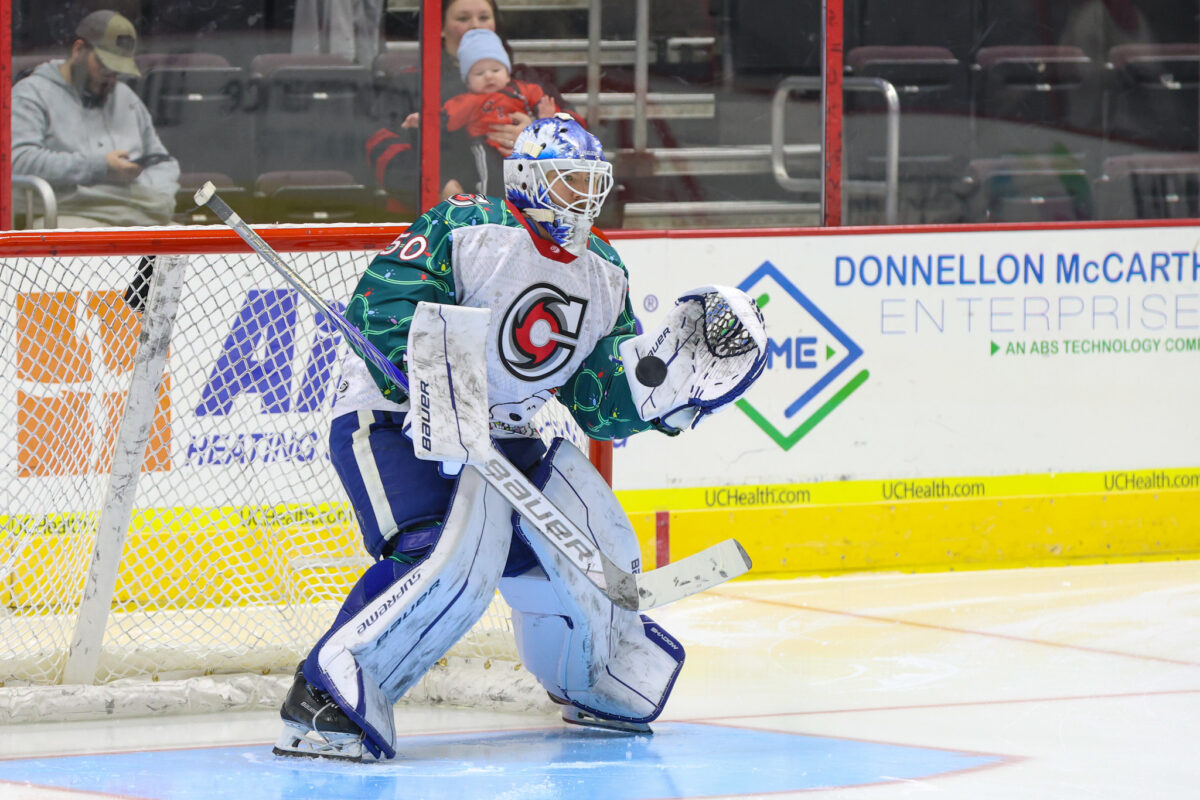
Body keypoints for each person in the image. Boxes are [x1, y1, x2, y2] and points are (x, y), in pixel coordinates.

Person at [273, 115, 766, 762]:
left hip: (506, 434)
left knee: (600, 543)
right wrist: (441, 387)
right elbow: (383, 302)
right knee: (444, 557)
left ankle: (596, 679)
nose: (580, 198)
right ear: (526, 179)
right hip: (398, 420)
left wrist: (661, 393)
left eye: (590, 183)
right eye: (566, 182)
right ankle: (328, 696)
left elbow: (594, 402)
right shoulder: (465, 224)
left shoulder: (604, 270)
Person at [367, 0, 579, 210]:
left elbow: (579, 136)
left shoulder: (527, 81)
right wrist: (438, 186)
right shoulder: (414, 82)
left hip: (525, 218)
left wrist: (541, 138)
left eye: (484, 17)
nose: (476, 25)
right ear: (439, 27)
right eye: (463, 18)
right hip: (438, 223)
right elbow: (380, 146)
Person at [11, 10, 180, 227]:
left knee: (195, 251)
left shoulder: (126, 98)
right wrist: (100, 167)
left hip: (140, 212)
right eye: (104, 66)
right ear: (79, 49)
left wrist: (156, 192)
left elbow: (161, 161)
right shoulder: (31, 95)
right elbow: (18, 163)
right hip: (70, 215)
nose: (110, 77)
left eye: (117, 71)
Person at [403, 28, 558, 157]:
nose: (488, 76)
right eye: (479, 73)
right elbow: (446, 117)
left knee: (539, 161)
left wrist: (546, 118)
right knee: (489, 176)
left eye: (496, 70)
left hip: (525, 149)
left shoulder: (522, 89)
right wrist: (424, 120)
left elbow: (543, 102)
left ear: (507, 73)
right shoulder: (469, 101)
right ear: (468, 82)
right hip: (487, 149)